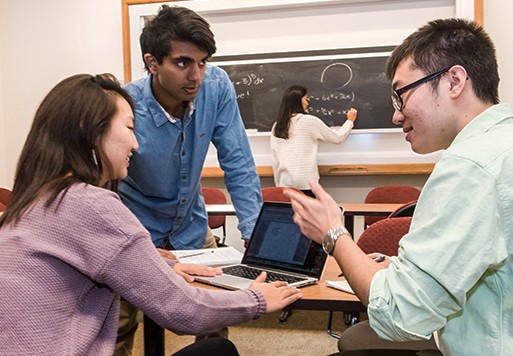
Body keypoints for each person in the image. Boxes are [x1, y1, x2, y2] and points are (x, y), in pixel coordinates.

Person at [0, 73, 302, 356]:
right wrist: (259, 299)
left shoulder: (34, 199)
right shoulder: (92, 204)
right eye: (130, 128)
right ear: (88, 129)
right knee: (218, 351)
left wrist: (152, 265)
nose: (136, 143)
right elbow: (185, 312)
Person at [284, 18, 513, 355]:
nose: (396, 115)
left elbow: (399, 314)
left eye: (401, 95)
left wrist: (334, 234)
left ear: (454, 81)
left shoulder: (469, 167)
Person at [271, 85, 357, 197]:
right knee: (307, 214)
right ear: (298, 102)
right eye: (305, 99)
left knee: (289, 214)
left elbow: (275, 159)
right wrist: (350, 121)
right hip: (306, 184)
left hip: (285, 184)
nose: (307, 103)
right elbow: (337, 138)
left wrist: (278, 185)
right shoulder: (309, 121)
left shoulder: (277, 126)